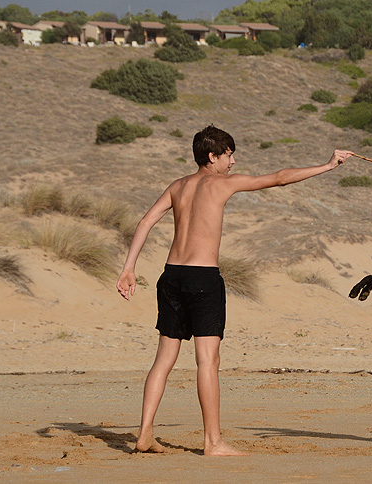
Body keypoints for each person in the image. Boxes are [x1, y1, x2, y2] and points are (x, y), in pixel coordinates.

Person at [116, 125, 354, 455]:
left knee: (163, 359)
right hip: (203, 280)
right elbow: (280, 177)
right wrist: (327, 166)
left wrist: (129, 268)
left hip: (171, 277)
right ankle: (212, 442)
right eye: (229, 155)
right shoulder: (222, 184)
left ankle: (144, 434)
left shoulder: (178, 186)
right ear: (212, 156)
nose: (233, 161)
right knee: (207, 361)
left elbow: (144, 222)